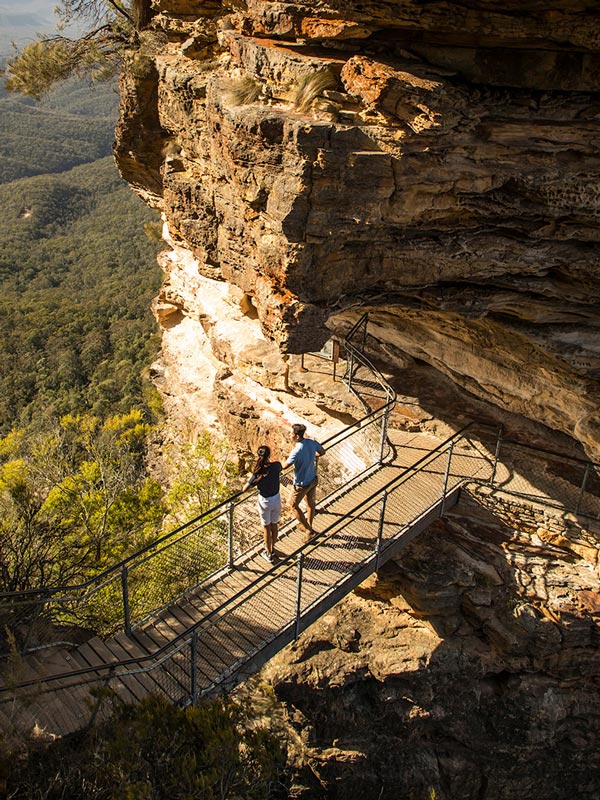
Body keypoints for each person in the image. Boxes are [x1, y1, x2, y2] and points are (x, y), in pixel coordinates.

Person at [243, 445, 282, 564]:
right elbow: (280, 468)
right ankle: (273, 548)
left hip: (265, 501)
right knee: (274, 525)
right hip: (276, 499)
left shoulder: (258, 472)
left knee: (266, 527)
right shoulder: (276, 466)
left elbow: (245, 489)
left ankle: (268, 553)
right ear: (269, 455)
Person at [284, 423, 325, 537]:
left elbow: (284, 466)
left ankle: (308, 529)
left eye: (291, 433)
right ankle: (309, 526)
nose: (290, 435)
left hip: (301, 483)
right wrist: (311, 456)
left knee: (292, 505)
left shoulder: (296, 451)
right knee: (310, 503)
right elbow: (322, 452)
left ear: (297, 436)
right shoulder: (311, 442)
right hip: (312, 478)